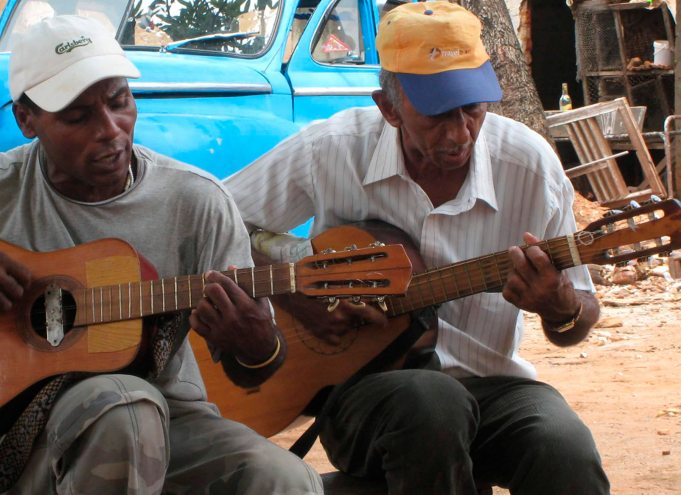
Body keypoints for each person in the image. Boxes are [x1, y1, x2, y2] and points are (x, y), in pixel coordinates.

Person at [0, 15, 322, 495]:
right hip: (34, 439)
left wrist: (258, 345)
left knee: (287, 481)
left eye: (120, 102)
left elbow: (251, 369)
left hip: (176, 420)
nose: (111, 130)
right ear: (27, 118)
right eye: (78, 116)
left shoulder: (196, 202)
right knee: (124, 408)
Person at [225, 2, 610, 494]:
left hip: (494, 385)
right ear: (388, 107)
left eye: (471, 109)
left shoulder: (530, 167)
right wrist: (299, 300)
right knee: (431, 404)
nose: (459, 133)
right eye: (435, 114)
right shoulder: (332, 149)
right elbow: (217, 221)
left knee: (564, 448)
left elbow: (576, 322)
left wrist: (560, 309)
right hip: (365, 390)